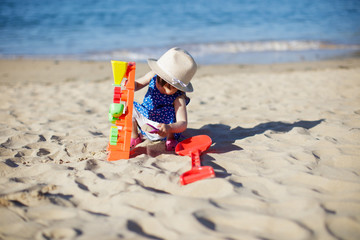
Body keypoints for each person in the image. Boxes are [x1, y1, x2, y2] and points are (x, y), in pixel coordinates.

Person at [131, 47, 197, 151]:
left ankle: (171, 139)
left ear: (178, 88)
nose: (161, 89)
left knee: (172, 113)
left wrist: (169, 128)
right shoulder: (154, 75)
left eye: (168, 88)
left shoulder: (178, 97)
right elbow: (138, 84)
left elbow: (183, 123)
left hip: (163, 131)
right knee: (129, 107)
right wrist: (129, 84)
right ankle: (135, 137)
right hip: (146, 123)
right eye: (159, 83)